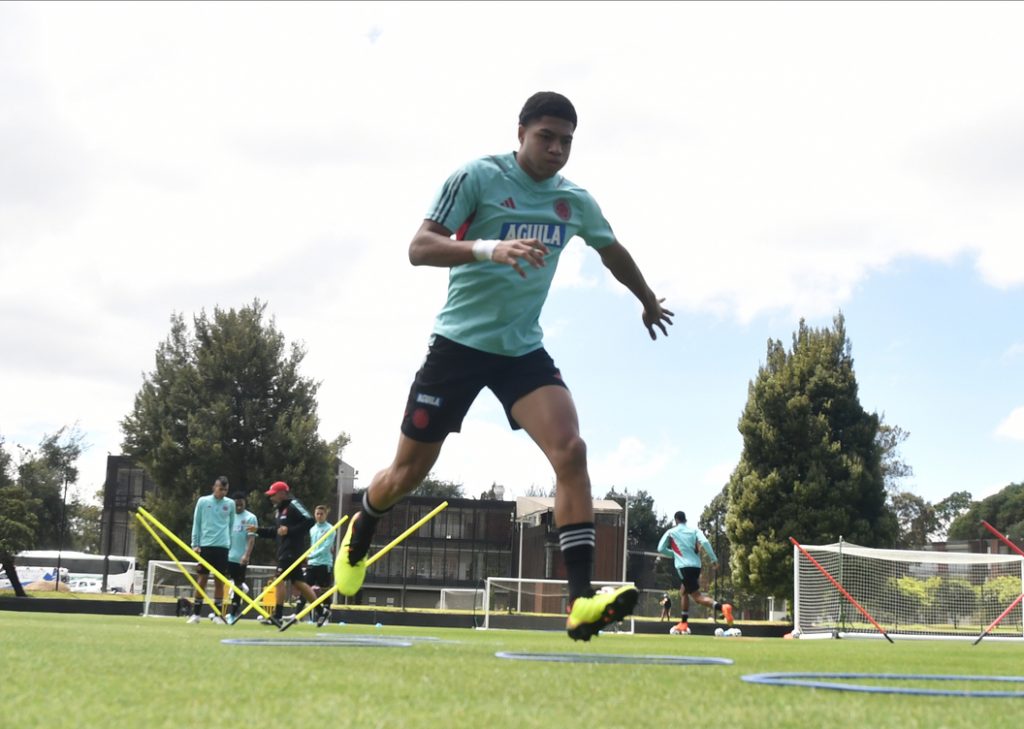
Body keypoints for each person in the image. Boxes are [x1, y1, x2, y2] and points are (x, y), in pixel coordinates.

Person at [333, 91, 673, 642]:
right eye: (546, 137)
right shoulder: (476, 178)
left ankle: (581, 601)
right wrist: (491, 249)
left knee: (572, 450)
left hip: (520, 349)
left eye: (567, 141)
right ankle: (363, 521)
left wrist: (646, 297)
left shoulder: (574, 201)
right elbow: (420, 248)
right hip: (458, 345)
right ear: (520, 132)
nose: (557, 149)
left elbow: (611, 250)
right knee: (405, 474)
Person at [253, 481, 320, 626]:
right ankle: (321, 611)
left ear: (283, 493)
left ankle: (277, 615)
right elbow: (276, 532)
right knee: (300, 583)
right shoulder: (279, 511)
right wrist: (257, 530)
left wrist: (290, 530)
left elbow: (310, 521)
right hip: (284, 550)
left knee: (278, 580)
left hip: (292, 550)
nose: (271, 498)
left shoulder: (294, 504)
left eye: (273, 495)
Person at [657, 511, 733, 634]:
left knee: (697, 597)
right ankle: (684, 622)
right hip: (696, 566)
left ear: (676, 520)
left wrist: (674, 554)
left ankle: (723, 608)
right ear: (685, 519)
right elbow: (705, 542)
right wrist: (714, 559)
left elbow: (660, 548)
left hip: (683, 567)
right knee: (683, 591)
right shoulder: (694, 530)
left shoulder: (671, 532)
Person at [187, 476, 234, 625]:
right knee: (202, 579)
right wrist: (195, 543)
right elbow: (197, 523)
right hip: (206, 546)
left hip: (222, 547)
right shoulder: (203, 501)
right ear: (214, 487)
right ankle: (196, 614)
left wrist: (229, 544)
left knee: (220, 581)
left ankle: (218, 614)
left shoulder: (230, 504)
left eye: (225, 490)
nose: (222, 492)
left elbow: (231, 525)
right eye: (220, 489)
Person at [225, 491, 258, 624]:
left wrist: (246, 555)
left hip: (240, 557)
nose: (238, 507)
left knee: (237, 585)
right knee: (223, 580)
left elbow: (251, 539)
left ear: (245, 503)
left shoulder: (250, 518)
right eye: (236, 504)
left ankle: (233, 614)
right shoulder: (228, 516)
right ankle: (218, 611)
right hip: (226, 555)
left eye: (241, 504)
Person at [302, 505, 335, 627]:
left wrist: (311, 556)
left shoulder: (330, 529)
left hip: (324, 563)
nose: (319, 516)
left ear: (326, 515)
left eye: (322, 514)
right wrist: (309, 556)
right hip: (312, 564)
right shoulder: (313, 529)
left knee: (324, 590)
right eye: (317, 514)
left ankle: (326, 614)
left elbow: (325, 548)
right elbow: (313, 546)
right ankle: (299, 613)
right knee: (305, 587)